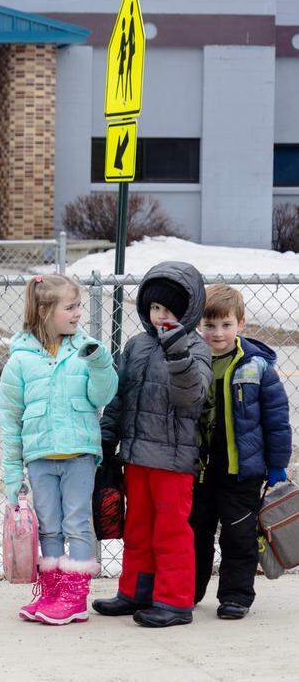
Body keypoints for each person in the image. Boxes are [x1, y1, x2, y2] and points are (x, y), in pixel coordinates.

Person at [93, 262, 211, 628]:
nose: (161, 317)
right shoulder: (137, 345)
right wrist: (106, 439)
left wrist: (178, 354)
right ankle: (135, 591)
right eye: (155, 308)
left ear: (188, 310)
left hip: (173, 461)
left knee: (170, 530)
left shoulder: (196, 349)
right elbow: (119, 396)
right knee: (138, 527)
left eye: (170, 310)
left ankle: (174, 601)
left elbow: (193, 397)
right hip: (136, 457)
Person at [0, 274, 117, 624]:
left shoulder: (88, 349)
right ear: (44, 311)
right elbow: (11, 420)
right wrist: (12, 477)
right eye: (71, 307)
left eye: (79, 305)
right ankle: (52, 592)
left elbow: (103, 395)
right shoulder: (20, 361)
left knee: (77, 523)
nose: (79, 313)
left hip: (79, 454)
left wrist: (99, 364)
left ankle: (74, 597)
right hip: (39, 458)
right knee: (48, 526)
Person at [192, 284, 293, 619]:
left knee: (239, 535)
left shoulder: (257, 366)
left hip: (242, 470)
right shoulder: (193, 360)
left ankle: (236, 595)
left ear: (241, 325)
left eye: (225, 325)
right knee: (196, 533)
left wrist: (277, 466)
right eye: (209, 325)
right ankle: (188, 590)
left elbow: (276, 422)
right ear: (198, 325)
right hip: (200, 469)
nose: (217, 333)